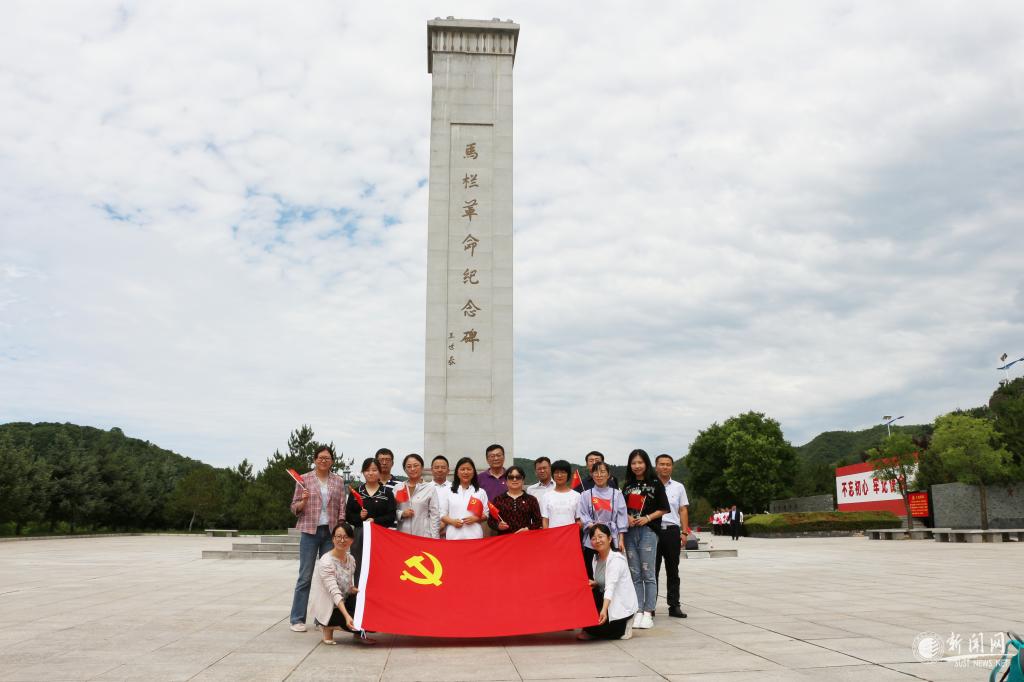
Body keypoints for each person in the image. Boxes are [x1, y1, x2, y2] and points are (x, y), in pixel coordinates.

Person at [288, 445, 347, 632]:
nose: (324, 460)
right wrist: (303, 501)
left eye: (327, 458)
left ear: (332, 461)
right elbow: (294, 507)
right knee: (305, 577)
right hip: (309, 532)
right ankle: (297, 619)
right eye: (320, 457)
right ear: (314, 459)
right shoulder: (304, 479)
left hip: (330, 533)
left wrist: (340, 528)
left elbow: (342, 506)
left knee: (328, 577)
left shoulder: (338, 480)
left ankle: (324, 619)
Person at [621, 448, 670, 630]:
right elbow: (621, 508)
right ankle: (638, 610)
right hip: (630, 532)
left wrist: (647, 518)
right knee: (635, 574)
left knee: (648, 573)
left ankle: (649, 612)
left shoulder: (656, 483)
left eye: (640, 462)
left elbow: (664, 508)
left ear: (646, 463)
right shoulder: (627, 485)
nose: (637, 466)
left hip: (648, 531)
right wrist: (627, 517)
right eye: (633, 463)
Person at [309, 522, 373, 645]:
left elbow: (347, 585)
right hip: (330, 607)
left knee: (371, 620)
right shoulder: (326, 562)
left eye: (345, 537)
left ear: (352, 540)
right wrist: (347, 616)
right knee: (360, 623)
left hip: (345, 601)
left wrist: (354, 590)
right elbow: (335, 593)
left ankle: (357, 632)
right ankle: (328, 625)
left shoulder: (351, 559)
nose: (342, 540)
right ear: (333, 539)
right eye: (338, 537)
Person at [577, 523, 638, 641]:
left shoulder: (616, 559)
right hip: (606, 599)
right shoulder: (595, 559)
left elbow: (611, 586)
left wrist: (604, 610)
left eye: (601, 536)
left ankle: (626, 623)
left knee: (604, 632)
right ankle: (592, 628)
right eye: (594, 538)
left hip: (619, 605)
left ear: (609, 539)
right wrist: (595, 583)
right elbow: (602, 581)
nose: (597, 540)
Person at [653, 454, 689, 619]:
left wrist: (684, 532)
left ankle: (674, 605)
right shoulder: (650, 485)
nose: (665, 467)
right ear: (656, 467)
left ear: (672, 467)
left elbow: (683, 509)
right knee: (652, 570)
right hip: (653, 531)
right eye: (662, 464)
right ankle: (650, 606)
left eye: (668, 464)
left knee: (673, 570)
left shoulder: (678, 487)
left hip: (672, 531)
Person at [578, 461, 628, 577]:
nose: (599, 475)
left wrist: (621, 540)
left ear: (608, 475)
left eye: (602, 472)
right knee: (591, 572)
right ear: (592, 475)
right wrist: (592, 526)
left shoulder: (617, 494)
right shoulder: (586, 494)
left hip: (611, 537)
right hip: (592, 537)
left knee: (612, 571)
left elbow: (622, 517)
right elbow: (583, 514)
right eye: (596, 472)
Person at [345, 457, 397, 564]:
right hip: (360, 535)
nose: (370, 473)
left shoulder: (387, 493)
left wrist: (375, 520)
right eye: (367, 470)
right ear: (363, 472)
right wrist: (359, 517)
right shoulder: (356, 492)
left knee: (379, 565)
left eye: (374, 470)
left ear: (379, 472)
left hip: (381, 534)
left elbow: (391, 516)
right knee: (359, 565)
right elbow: (348, 516)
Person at [440, 456, 489, 540]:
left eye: (469, 469)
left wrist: (476, 518)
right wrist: (452, 522)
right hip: (453, 535)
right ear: (457, 472)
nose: (466, 472)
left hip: (474, 535)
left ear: (473, 472)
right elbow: (442, 514)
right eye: (462, 469)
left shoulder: (480, 492)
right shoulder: (447, 490)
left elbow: (486, 514)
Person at [487, 465, 542, 535]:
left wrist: (528, 529)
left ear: (523, 480)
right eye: (511, 477)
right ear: (506, 481)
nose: (514, 479)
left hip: (525, 537)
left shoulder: (531, 500)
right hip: (504, 539)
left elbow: (538, 521)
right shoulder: (498, 499)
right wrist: (498, 526)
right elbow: (490, 521)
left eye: (518, 477)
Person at [396, 453, 441, 538]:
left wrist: (435, 538)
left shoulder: (430, 488)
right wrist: (401, 514)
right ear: (405, 469)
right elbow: (390, 512)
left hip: (423, 536)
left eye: (416, 465)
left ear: (422, 467)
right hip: (402, 535)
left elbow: (435, 515)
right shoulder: (398, 488)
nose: (412, 469)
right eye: (409, 466)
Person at [541, 459, 582, 529]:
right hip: (552, 534)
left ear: (568, 475)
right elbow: (545, 520)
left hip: (570, 534)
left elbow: (578, 519)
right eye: (556, 472)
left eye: (563, 472)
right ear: (552, 475)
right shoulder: (546, 496)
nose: (559, 475)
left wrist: (579, 525)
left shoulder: (577, 496)